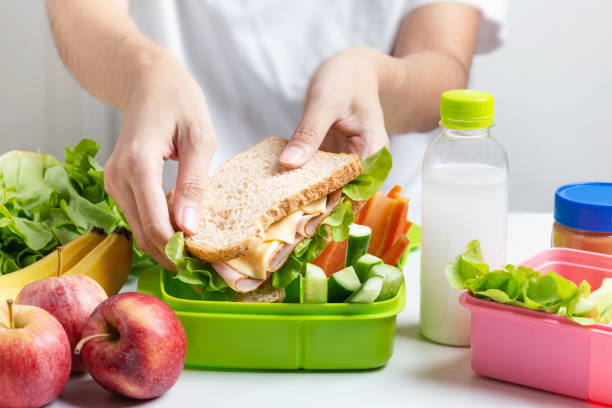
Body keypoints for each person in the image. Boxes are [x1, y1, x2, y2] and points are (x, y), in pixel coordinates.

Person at [46, 0, 505, 268]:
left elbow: (443, 62)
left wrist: (378, 79)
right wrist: (142, 73)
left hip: (379, 243)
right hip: (165, 232)